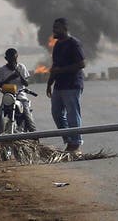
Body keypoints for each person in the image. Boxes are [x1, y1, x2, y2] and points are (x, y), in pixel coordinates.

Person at [0, 48, 37, 161]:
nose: (13, 61)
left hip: (21, 97)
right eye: (10, 59)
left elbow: (26, 83)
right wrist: (10, 78)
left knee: (29, 120)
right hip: (8, 98)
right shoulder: (2, 70)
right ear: (6, 59)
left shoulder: (21, 67)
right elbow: (0, 85)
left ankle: (36, 145)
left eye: (15, 59)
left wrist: (18, 74)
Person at [46, 18, 85, 154]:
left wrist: (62, 71)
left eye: (57, 28)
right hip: (59, 85)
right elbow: (55, 65)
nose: (54, 30)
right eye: (54, 27)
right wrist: (50, 82)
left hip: (72, 85)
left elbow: (81, 64)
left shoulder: (74, 44)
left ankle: (76, 144)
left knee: (72, 114)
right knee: (56, 113)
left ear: (65, 28)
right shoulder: (57, 44)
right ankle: (69, 140)